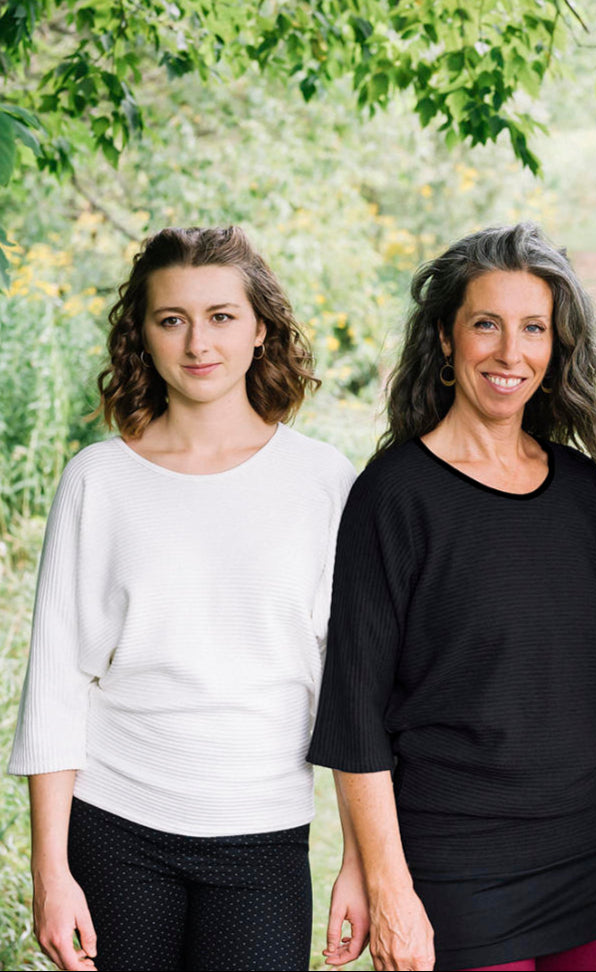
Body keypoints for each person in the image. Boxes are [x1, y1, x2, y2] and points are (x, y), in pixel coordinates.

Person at [8, 226, 357, 972]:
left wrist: (359, 861)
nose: (198, 342)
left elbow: (351, 689)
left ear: (261, 329)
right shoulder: (96, 481)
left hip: (264, 835)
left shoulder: (324, 482)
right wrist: (50, 872)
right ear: (143, 333)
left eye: (222, 316)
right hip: (115, 828)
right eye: (172, 319)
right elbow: (57, 684)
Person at [308, 223, 596, 972]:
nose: (510, 352)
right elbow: (356, 710)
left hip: (587, 853)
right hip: (455, 868)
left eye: (534, 329)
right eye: (486, 324)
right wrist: (387, 885)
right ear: (445, 337)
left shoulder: (580, 489)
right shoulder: (393, 495)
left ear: (555, 348)